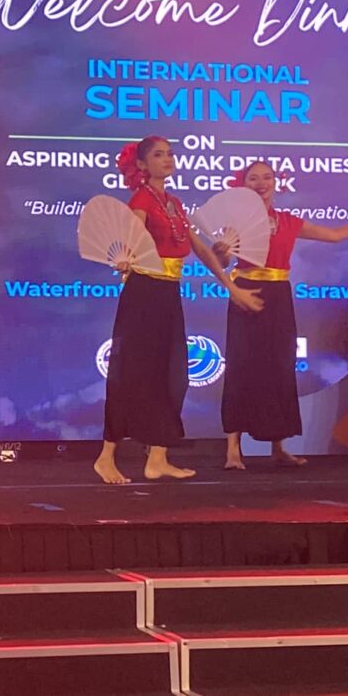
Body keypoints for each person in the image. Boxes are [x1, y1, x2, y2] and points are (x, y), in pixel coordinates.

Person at [97, 136, 262, 485]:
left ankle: (157, 459)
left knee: (172, 374)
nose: (168, 159)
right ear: (141, 165)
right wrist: (126, 257)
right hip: (143, 295)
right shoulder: (141, 200)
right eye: (159, 155)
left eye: (170, 154)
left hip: (168, 294)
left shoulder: (174, 203)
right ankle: (106, 457)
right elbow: (131, 238)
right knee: (132, 374)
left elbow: (199, 248)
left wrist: (231, 286)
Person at [218, 161, 348, 469]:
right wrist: (222, 252)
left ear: (276, 182)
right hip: (246, 294)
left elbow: (335, 236)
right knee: (241, 366)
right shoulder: (237, 222)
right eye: (253, 178)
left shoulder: (287, 221)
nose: (261, 183)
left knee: (280, 366)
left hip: (278, 297)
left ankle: (278, 446)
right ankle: (232, 449)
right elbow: (222, 258)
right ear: (243, 185)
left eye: (267, 177)